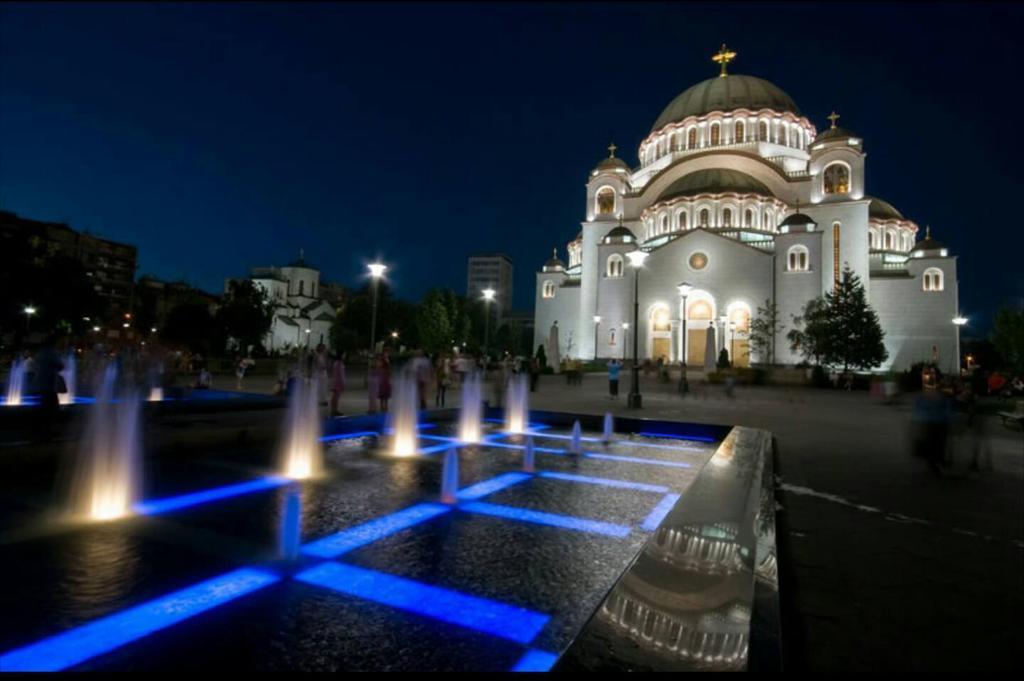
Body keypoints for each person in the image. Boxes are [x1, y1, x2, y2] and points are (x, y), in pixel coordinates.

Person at [32, 337, 64, 441]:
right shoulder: (52, 353)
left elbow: (35, 364)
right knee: (53, 408)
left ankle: (39, 430)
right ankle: (48, 431)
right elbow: (60, 366)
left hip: (38, 385)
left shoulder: (39, 353)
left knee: (42, 408)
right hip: (49, 386)